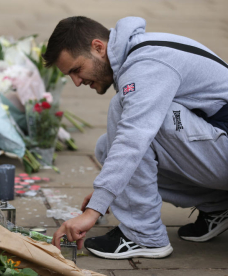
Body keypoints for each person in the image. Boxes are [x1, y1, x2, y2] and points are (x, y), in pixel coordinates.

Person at [43, 16, 228, 259]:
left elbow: (133, 139)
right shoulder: (137, 50)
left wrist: (93, 210)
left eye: (77, 70)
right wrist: (112, 191)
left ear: (98, 47)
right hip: (219, 146)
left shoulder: (145, 64)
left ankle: (144, 236)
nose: (77, 82)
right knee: (106, 146)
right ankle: (218, 204)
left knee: (127, 116)